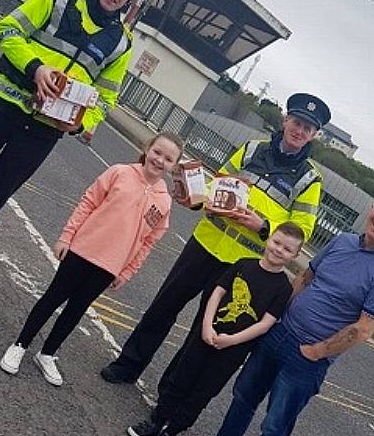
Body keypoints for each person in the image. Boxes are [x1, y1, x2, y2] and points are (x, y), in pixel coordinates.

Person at [101, 93, 330, 386]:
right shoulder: (251, 149)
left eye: (307, 129)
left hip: (243, 262)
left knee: (205, 328)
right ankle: (128, 365)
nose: (299, 131)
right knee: (164, 305)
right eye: (296, 122)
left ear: (314, 135)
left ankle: (169, 391)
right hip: (206, 242)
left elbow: (302, 229)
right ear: (285, 120)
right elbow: (218, 184)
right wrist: (193, 197)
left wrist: (265, 226)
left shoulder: (310, 179)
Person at [174, 205, 374, 436]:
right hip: (279, 333)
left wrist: (317, 351)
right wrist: (276, 316)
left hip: (307, 358)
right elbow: (305, 277)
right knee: (243, 397)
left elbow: (363, 328)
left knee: (274, 428)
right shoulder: (342, 241)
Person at [0, 0, 152, 247]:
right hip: (1, 107)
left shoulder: (122, 42)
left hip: (43, 133)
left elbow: (106, 98)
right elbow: (7, 29)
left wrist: (81, 125)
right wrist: (36, 68)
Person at [0, 131, 183, 386]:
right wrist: (66, 236)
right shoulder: (120, 172)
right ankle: (21, 344)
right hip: (82, 250)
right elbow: (88, 202)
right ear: (147, 148)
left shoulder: (164, 202)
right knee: (52, 298)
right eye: (157, 152)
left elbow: (148, 242)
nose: (160, 160)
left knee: (76, 310)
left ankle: (48, 353)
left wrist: (127, 271)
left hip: (110, 265)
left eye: (169, 159)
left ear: (174, 166)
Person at [127, 222, 302, 436]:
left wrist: (232, 340)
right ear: (268, 239)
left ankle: (172, 432)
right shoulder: (243, 264)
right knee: (182, 376)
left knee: (203, 391)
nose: (279, 250)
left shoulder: (282, 288)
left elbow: (265, 323)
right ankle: (156, 421)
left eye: (287, 249)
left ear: (296, 255)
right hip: (206, 335)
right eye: (277, 242)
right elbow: (218, 292)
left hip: (232, 350)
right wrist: (207, 325)